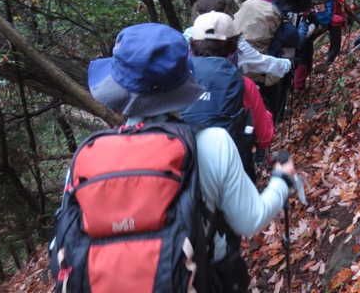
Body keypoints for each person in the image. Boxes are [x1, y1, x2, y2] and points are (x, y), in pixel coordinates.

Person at [83, 23, 296, 289]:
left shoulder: (88, 157)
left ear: (118, 91)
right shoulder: (212, 142)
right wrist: (281, 180)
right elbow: (250, 219)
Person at [183, 11, 275, 180]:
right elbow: (264, 138)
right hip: (233, 174)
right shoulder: (243, 84)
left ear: (193, 43)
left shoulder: (176, 81)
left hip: (184, 174)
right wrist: (267, 115)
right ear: (233, 45)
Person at [184, 0, 294, 81]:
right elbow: (260, 62)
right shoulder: (233, 41)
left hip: (192, 95)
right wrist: (289, 64)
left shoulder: (187, 36)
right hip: (227, 91)